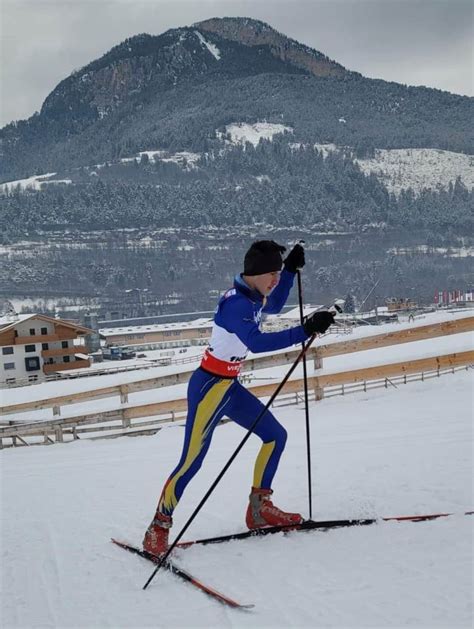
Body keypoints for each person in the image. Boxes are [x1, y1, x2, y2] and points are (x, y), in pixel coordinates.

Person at [143, 240, 335, 555]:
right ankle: (158, 527)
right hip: (208, 388)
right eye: (271, 273)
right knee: (192, 462)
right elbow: (257, 344)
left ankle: (260, 509)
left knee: (275, 435)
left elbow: (273, 306)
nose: (274, 281)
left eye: (276, 273)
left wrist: (288, 272)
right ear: (255, 273)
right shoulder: (236, 306)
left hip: (228, 386)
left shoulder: (253, 296)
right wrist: (305, 330)